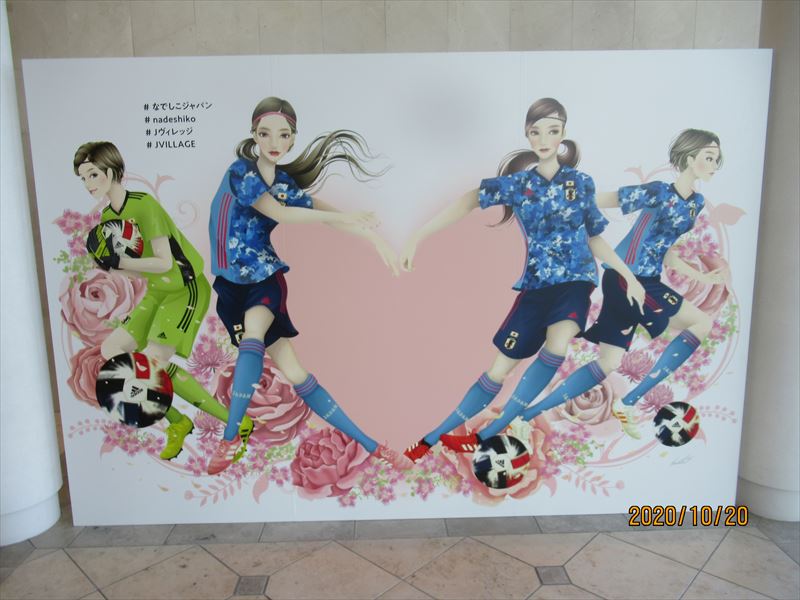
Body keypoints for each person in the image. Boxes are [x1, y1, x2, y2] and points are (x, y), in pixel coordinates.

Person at [400, 98, 644, 461]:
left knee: (558, 342)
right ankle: (431, 438)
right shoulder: (518, 185)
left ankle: (490, 432)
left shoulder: (580, 183)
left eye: (552, 131)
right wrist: (419, 235)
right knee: (498, 370)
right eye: (535, 132)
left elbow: (594, 237)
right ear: (527, 135)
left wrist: (627, 275)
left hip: (576, 281)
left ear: (563, 134)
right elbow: (468, 200)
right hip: (534, 287)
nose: (544, 139)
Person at [207, 96, 404, 474]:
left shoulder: (283, 184)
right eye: (266, 134)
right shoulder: (241, 172)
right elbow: (281, 213)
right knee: (297, 374)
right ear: (254, 135)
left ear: (294, 138)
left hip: (264, 279)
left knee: (253, 337)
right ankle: (371, 445)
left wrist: (371, 236)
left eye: (284, 135)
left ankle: (229, 439)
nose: (274, 142)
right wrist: (348, 217)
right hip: (230, 287)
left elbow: (322, 212)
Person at [493, 129, 724, 440]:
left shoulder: (694, 204)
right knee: (701, 323)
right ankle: (629, 402)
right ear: (690, 158)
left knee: (609, 362)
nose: (714, 165)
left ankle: (526, 416)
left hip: (642, 280)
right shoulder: (658, 192)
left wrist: (702, 277)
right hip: (628, 279)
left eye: (717, 159)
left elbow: (665, 251)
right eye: (709, 157)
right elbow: (606, 199)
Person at [75, 141, 247, 460]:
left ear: (111, 171)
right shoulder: (108, 217)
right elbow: (138, 271)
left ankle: (236, 425)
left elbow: (165, 262)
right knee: (112, 351)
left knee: (153, 365)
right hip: (158, 291)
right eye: (83, 177)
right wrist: (111, 267)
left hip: (185, 288)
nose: (88, 183)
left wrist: (120, 262)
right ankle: (178, 421)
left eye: (93, 174)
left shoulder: (144, 205)